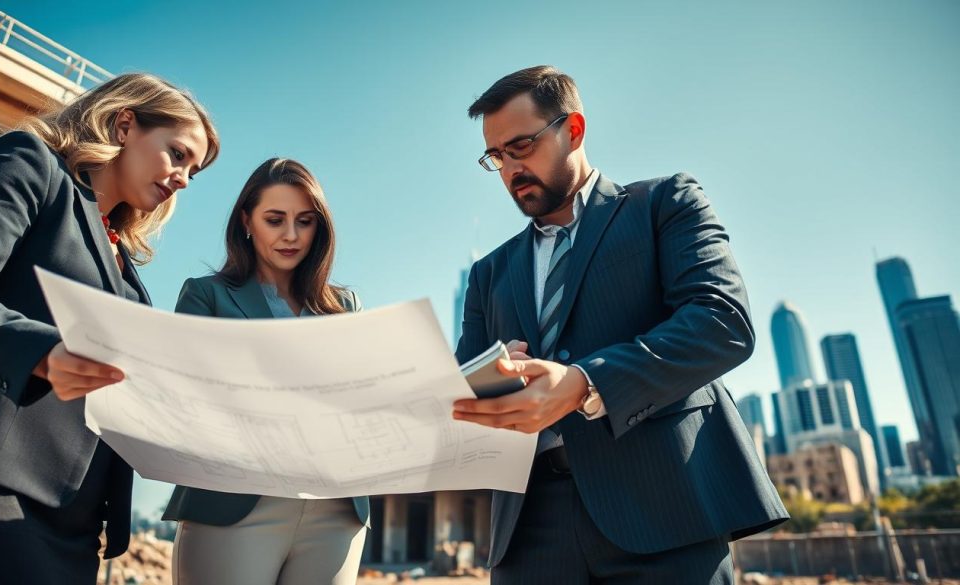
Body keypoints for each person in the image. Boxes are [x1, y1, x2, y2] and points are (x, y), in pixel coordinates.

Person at [452, 65, 788, 584]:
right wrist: (489, 380)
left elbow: (721, 322)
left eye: (521, 146)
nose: (509, 169)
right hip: (528, 532)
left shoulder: (664, 203)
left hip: (664, 508)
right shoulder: (488, 273)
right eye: (496, 157)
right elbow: (462, 394)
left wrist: (586, 383)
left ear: (574, 129)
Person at [0, 73, 219, 583]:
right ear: (124, 122)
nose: (183, 178)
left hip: (77, 525)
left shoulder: (127, 268)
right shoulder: (29, 164)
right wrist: (44, 353)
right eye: (178, 154)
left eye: (193, 172)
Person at [163, 158, 369, 585]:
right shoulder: (206, 296)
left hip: (334, 510)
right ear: (246, 221)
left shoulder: (346, 307)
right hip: (233, 503)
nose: (291, 235)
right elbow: (180, 399)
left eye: (305, 221)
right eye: (275, 220)